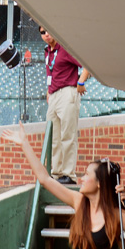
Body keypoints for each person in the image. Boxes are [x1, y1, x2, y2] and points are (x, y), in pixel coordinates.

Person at [39, 25, 89, 186]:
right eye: (42, 32)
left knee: (68, 135)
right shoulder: (48, 51)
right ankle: (57, 172)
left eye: (48, 30)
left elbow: (87, 64)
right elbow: (51, 73)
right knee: (54, 136)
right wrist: (49, 91)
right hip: (53, 95)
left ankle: (69, 174)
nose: (46, 35)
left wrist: (81, 81)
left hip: (68, 92)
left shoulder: (65, 49)